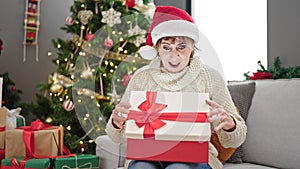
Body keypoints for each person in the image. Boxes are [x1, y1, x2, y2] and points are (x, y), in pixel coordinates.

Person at [106, 5, 247, 169]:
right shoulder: (141, 78)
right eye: (167, 47)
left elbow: (238, 137)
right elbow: (116, 137)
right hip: (148, 155)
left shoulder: (210, 77)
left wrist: (230, 124)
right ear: (157, 48)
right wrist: (117, 123)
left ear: (192, 46)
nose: (174, 55)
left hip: (196, 157)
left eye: (181, 47)